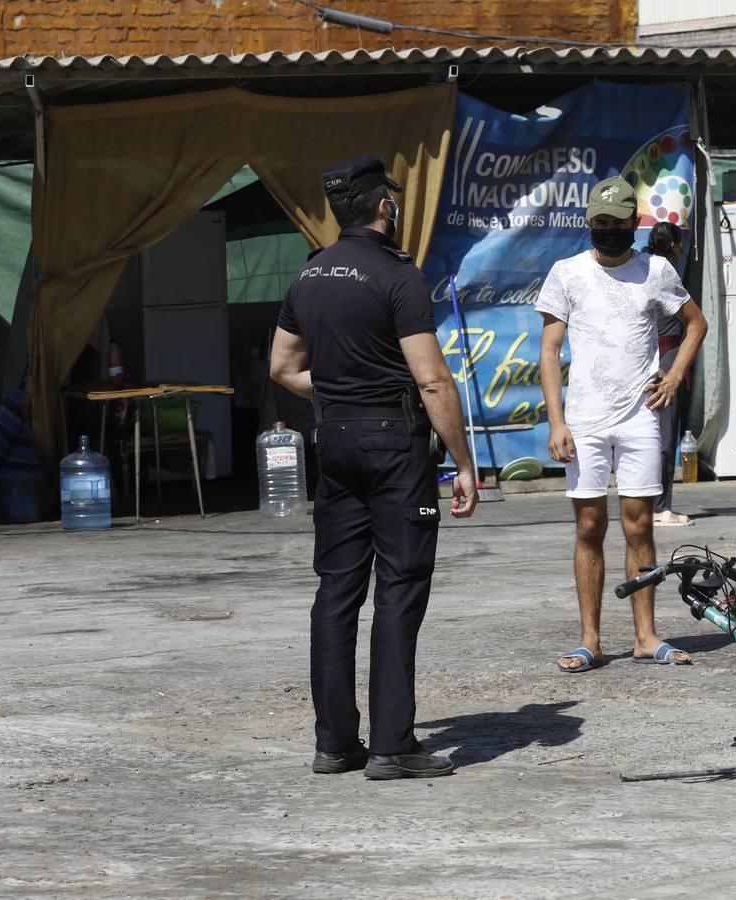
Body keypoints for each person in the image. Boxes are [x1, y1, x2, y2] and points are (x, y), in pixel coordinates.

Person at [270, 154, 478, 781]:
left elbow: (282, 368)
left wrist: (340, 392)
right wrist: (464, 464)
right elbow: (434, 381)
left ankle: (334, 745)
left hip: (333, 438)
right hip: (394, 445)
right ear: (384, 208)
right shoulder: (398, 276)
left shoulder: (310, 276)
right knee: (399, 587)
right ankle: (393, 746)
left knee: (336, 590)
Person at [537, 176, 709, 672]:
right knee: (589, 525)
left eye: (618, 224)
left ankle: (645, 636)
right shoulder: (566, 273)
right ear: (589, 223)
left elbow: (695, 323)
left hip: (640, 417)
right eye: (601, 223)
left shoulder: (655, 269)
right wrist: (556, 421)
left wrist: (674, 376)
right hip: (585, 420)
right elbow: (549, 351)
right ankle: (590, 639)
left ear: (635, 224)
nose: (609, 231)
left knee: (640, 527)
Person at [644, 221, 693, 527]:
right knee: (663, 436)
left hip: (657, 357)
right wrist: (666, 366)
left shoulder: (643, 267)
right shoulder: (664, 271)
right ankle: (660, 508)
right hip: (664, 359)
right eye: (680, 242)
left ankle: (653, 505)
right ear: (674, 244)